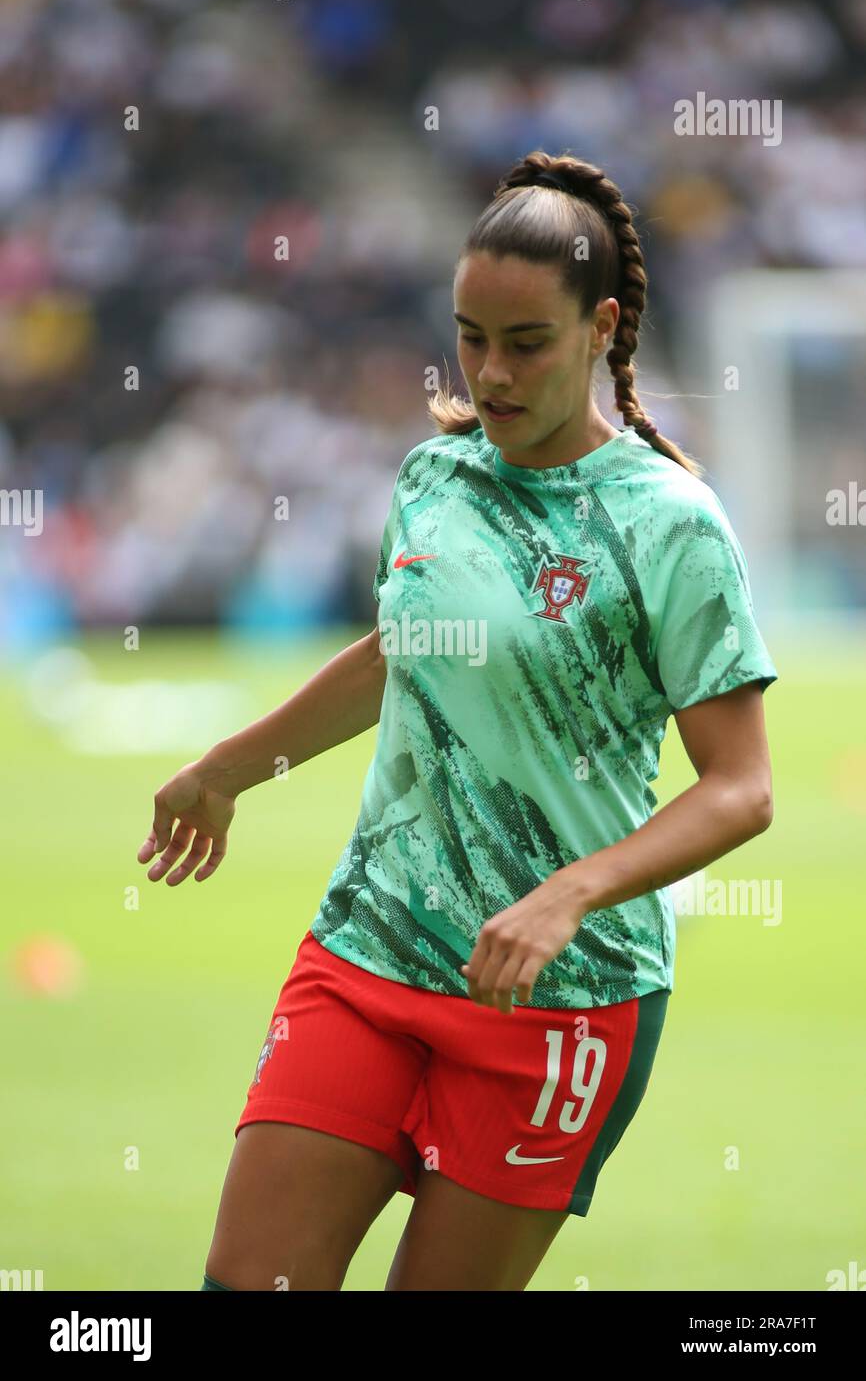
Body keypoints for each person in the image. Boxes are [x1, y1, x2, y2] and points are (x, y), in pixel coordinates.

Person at [137, 150, 778, 1292]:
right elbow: (402, 656)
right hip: (370, 946)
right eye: (467, 335)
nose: (488, 372)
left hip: (555, 999)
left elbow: (740, 788)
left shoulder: (673, 525)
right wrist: (229, 768)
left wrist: (566, 893)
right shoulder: (433, 477)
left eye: (524, 342)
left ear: (601, 327)